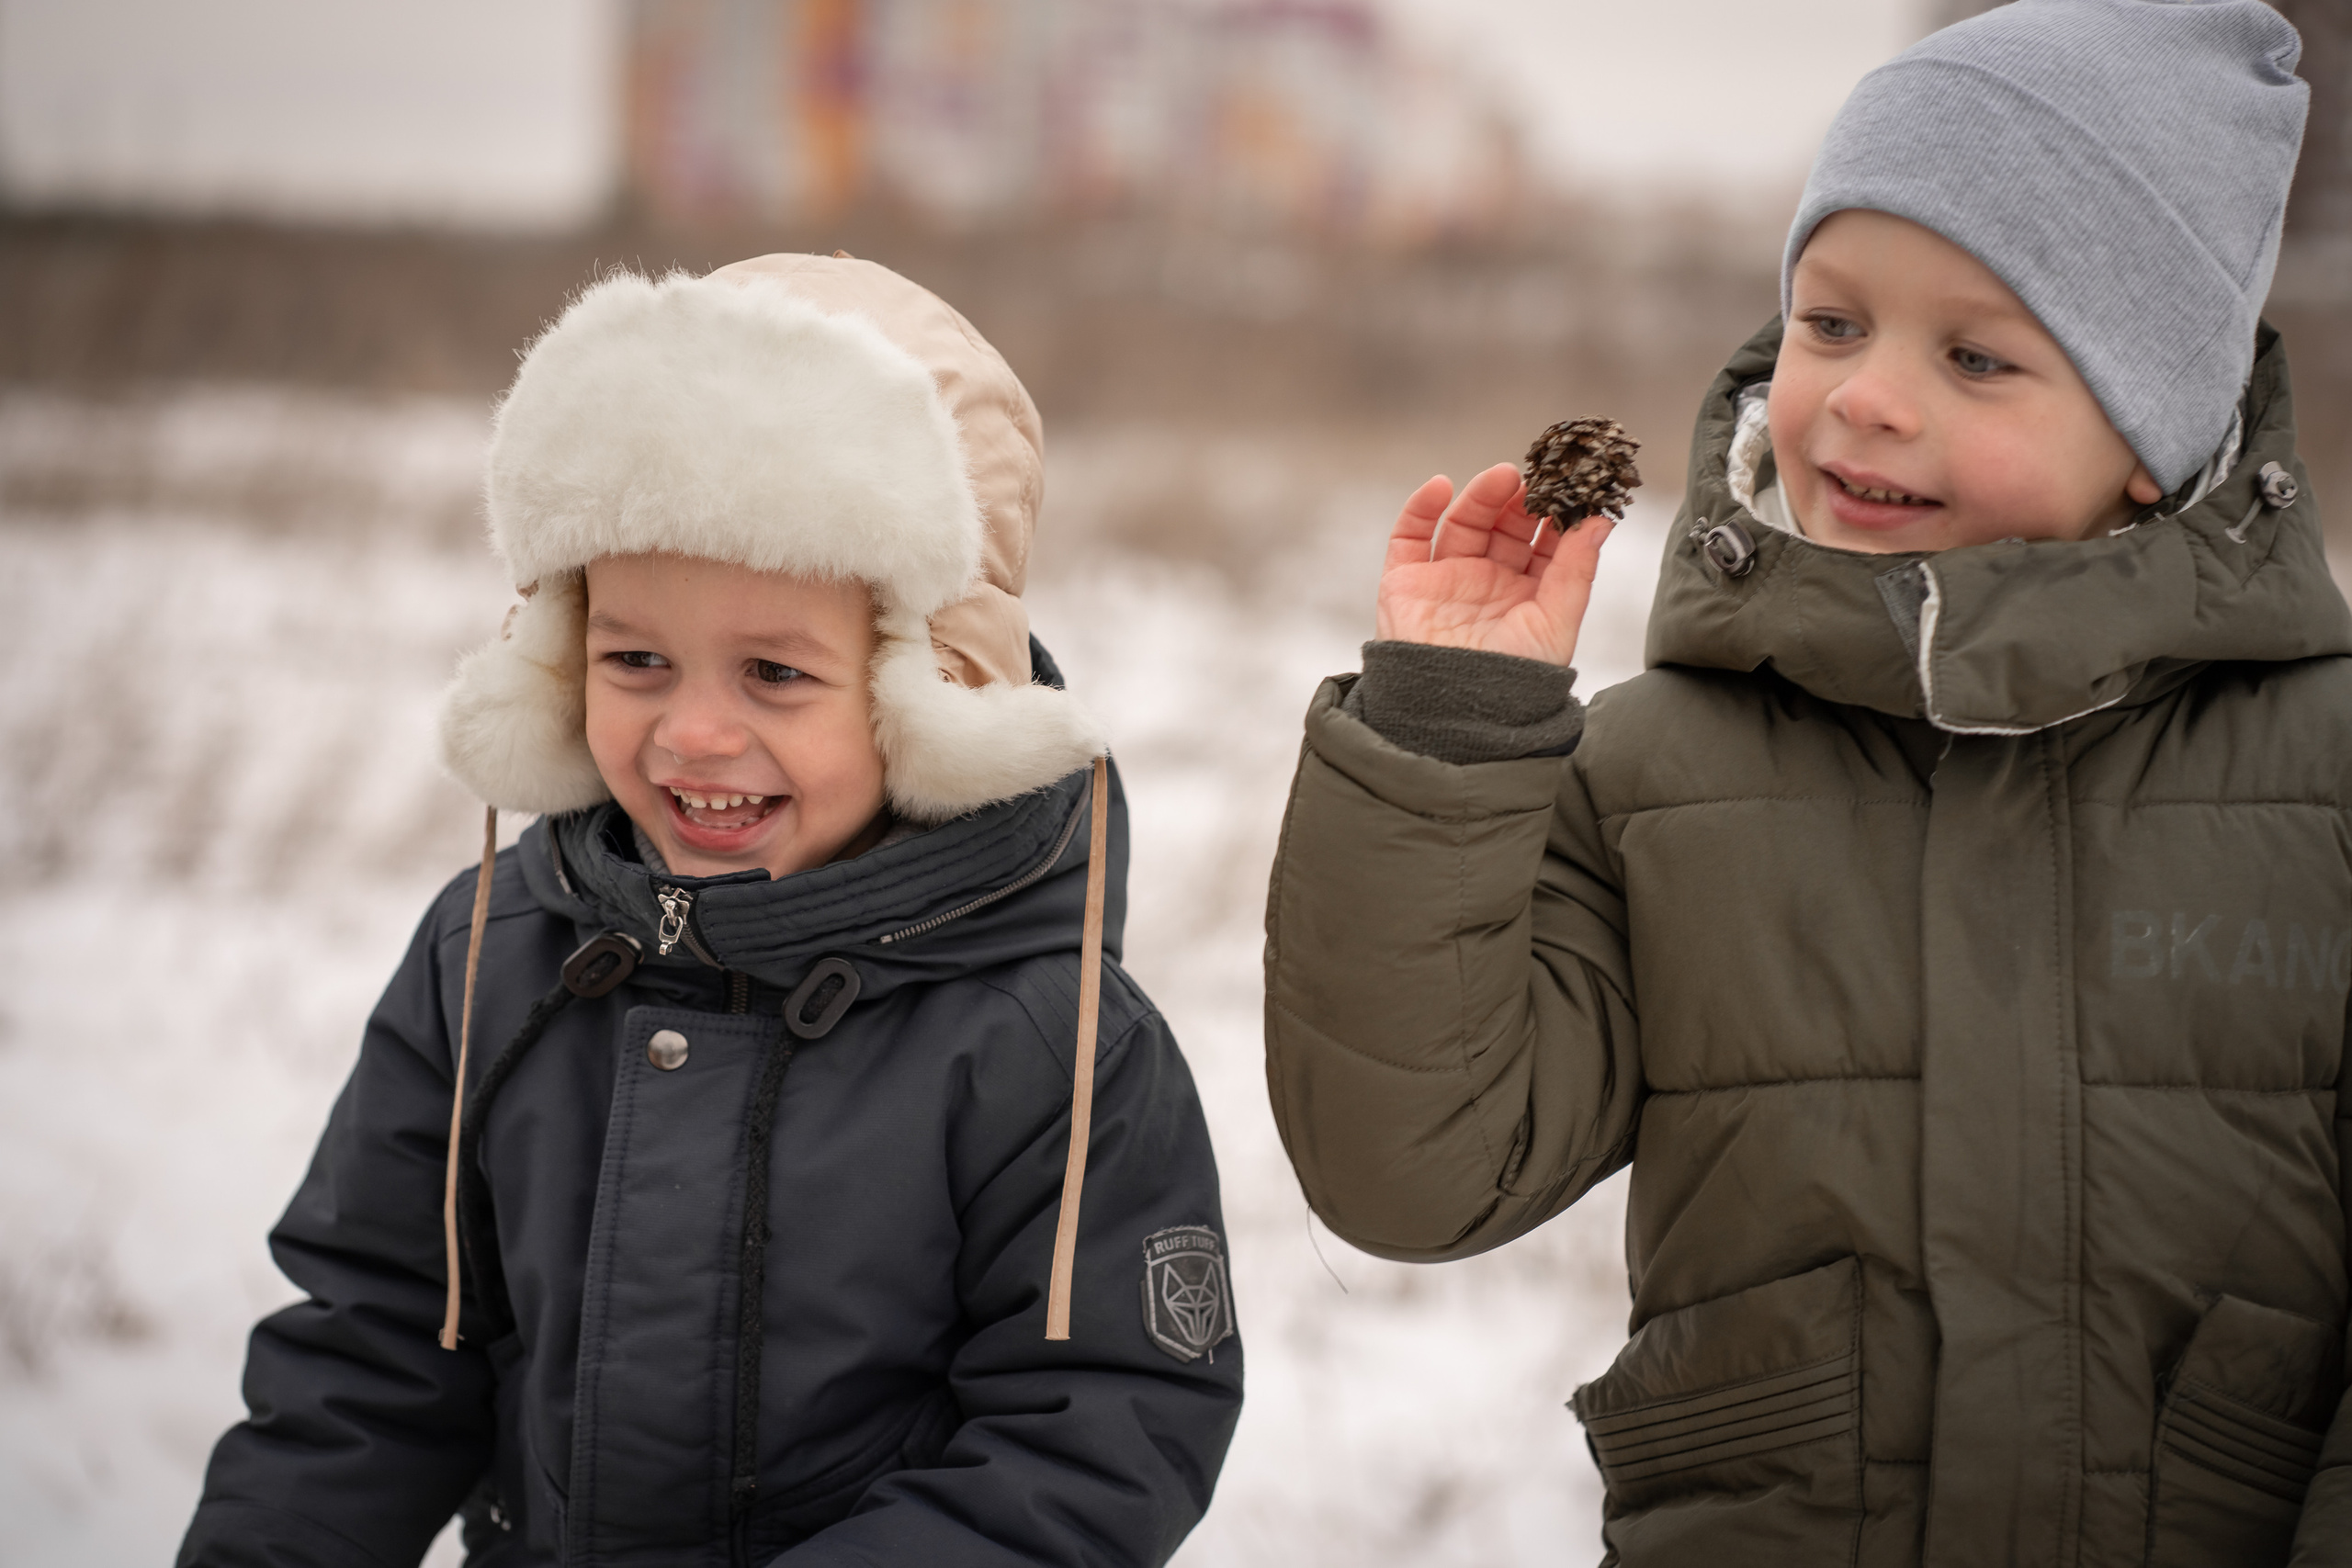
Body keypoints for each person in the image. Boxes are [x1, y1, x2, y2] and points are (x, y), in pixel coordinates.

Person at [1261, 2, 2346, 1562]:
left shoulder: (2319, 784)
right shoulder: (1655, 776)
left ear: (2155, 440)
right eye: (1831, 323)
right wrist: (1448, 727)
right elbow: (1412, 1174)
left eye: (1976, 353)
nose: (1865, 396)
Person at [178, 254, 1241, 1567]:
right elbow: (373, 1353)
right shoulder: (492, 959)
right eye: (634, 658)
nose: (691, 731)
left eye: (775, 673)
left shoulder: (1050, 1038)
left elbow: (1093, 1441)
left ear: (933, 693)